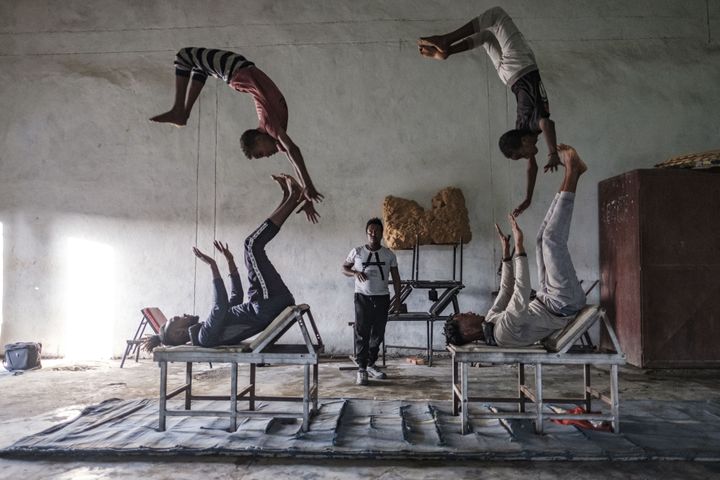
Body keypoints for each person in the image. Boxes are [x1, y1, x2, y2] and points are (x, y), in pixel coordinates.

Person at [150, 47, 322, 223]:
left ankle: (181, 111)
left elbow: (293, 153)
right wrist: (306, 192)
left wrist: (307, 188)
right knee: (192, 62)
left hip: (236, 70)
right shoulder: (274, 134)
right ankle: (181, 111)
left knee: (186, 58)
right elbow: (293, 157)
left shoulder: (269, 125)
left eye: (259, 154)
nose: (266, 156)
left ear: (258, 138)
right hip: (237, 71)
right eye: (261, 155)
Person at [417, 7, 560, 217]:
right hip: (508, 77)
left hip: (520, 67)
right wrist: (528, 198)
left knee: (496, 16)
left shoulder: (532, 127)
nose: (525, 158)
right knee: (485, 37)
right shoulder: (523, 131)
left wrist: (553, 153)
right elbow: (532, 169)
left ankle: (446, 40)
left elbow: (548, 124)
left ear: (523, 143)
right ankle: (446, 52)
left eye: (520, 155)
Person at [143, 174, 303, 351]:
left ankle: (290, 199)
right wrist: (212, 266)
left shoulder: (210, 328)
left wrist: (230, 262)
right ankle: (292, 198)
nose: (183, 314)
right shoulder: (204, 336)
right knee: (251, 245)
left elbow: (236, 297)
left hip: (262, 303)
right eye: (177, 319)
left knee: (252, 246)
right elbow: (219, 306)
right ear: (178, 334)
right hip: (266, 305)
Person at [481, 144, 587, 347]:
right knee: (551, 240)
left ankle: (574, 172)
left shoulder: (491, 320)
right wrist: (519, 247)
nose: (466, 313)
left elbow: (507, 289)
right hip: (562, 303)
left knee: (541, 239)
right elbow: (521, 290)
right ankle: (572, 170)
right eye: (461, 318)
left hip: (547, 297)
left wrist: (506, 254)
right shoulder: (502, 334)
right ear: (465, 330)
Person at [342, 218, 401, 386]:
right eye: (370, 231)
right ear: (367, 233)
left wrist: (397, 298)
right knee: (362, 332)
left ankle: (370, 364)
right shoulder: (357, 251)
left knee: (378, 333)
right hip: (362, 297)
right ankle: (361, 369)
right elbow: (344, 268)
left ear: (382, 233)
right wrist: (354, 273)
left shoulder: (389, 254)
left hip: (382, 298)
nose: (373, 234)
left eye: (376, 231)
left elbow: (396, 278)